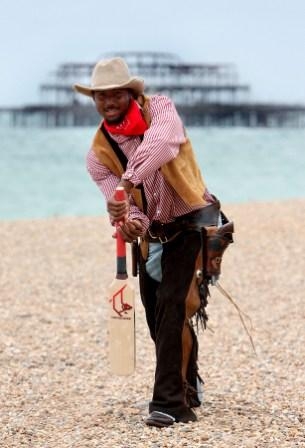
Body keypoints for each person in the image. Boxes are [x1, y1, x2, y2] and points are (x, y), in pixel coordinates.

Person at [74, 57, 232, 427]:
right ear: (94, 100)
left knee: (173, 306)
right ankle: (187, 382)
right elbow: (125, 208)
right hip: (153, 235)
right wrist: (129, 222)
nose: (108, 101)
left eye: (115, 93)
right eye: (101, 96)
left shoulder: (161, 109)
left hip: (193, 222)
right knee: (155, 316)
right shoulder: (97, 156)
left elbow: (162, 146)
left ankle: (169, 404)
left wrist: (127, 183)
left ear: (131, 93)